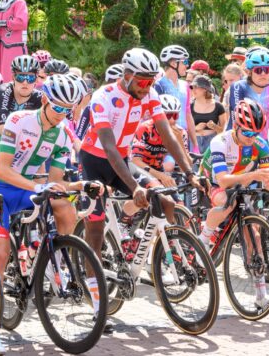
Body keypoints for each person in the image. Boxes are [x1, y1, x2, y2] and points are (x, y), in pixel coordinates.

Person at [0, 75, 105, 356]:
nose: (63, 115)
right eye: (58, 108)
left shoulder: (61, 135)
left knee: (63, 203)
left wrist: (81, 185)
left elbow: (55, 179)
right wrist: (39, 186)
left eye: (69, 110)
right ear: (46, 100)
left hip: (26, 186)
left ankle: (55, 250)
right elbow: (2, 170)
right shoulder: (17, 120)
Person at [80, 48, 201, 278]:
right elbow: (109, 147)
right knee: (95, 230)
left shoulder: (150, 94)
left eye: (151, 82)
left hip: (122, 160)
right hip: (95, 161)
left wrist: (189, 173)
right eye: (142, 82)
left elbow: (168, 135)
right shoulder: (103, 97)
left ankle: (163, 253)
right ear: (127, 75)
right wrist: (135, 187)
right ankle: (94, 291)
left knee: (164, 200)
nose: (146, 88)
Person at [198, 99, 269, 264]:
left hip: (241, 183)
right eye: (248, 133)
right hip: (213, 181)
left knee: (254, 232)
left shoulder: (260, 144)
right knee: (228, 202)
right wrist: (255, 175)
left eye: (256, 133)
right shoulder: (220, 142)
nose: (252, 138)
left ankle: (257, 268)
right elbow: (223, 182)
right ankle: (203, 239)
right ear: (236, 127)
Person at [225, 46, 269, 156]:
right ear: (249, 72)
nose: (263, 74)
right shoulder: (239, 87)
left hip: (261, 141)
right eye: (258, 70)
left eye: (266, 70)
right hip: (237, 139)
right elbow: (236, 119)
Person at [131, 94, 191, 187]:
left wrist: (180, 141)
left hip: (158, 169)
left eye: (175, 115)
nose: (171, 120)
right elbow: (136, 161)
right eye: (168, 115)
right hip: (139, 169)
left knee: (177, 201)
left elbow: (187, 167)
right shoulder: (145, 128)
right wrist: (161, 176)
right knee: (159, 193)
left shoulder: (181, 132)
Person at [155, 45, 198, 152]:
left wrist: (195, 144)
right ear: (174, 63)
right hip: (165, 138)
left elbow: (188, 115)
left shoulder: (185, 85)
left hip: (183, 137)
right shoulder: (159, 85)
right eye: (185, 62)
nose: (187, 66)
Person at [190, 75, 225, 153]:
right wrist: (195, 128)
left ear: (205, 89)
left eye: (196, 87)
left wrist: (215, 127)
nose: (193, 90)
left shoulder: (218, 106)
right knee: (194, 165)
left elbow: (225, 131)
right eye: (192, 87)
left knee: (211, 165)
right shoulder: (189, 106)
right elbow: (184, 129)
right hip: (194, 142)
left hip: (212, 141)